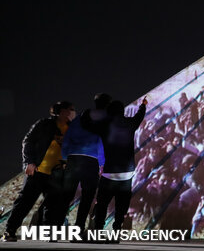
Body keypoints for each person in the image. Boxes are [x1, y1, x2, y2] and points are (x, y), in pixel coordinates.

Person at [2, 101, 76, 242]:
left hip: (56, 173)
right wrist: (28, 162)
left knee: (52, 206)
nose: (73, 112)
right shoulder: (44, 124)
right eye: (70, 110)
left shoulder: (72, 129)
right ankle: (9, 231)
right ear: (61, 111)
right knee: (25, 202)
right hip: (38, 170)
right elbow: (28, 141)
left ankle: (49, 234)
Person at [83, 97, 147, 235]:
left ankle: (98, 230)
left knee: (102, 204)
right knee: (121, 205)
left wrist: (87, 114)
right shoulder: (130, 123)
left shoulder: (104, 125)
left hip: (109, 172)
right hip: (127, 173)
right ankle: (117, 230)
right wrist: (143, 105)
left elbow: (87, 125)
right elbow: (139, 116)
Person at [60, 93, 109, 235]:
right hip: (91, 161)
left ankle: (55, 229)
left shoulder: (79, 119)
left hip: (73, 159)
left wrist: (65, 158)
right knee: (87, 197)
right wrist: (102, 162)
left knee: (66, 196)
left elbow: (67, 139)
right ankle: (79, 229)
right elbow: (102, 142)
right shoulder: (103, 120)